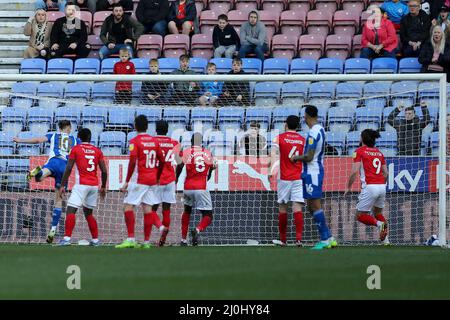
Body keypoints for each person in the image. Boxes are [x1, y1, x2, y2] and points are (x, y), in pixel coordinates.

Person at [12, 120, 79, 243]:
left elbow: (37, 140)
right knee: (58, 202)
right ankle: (52, 231)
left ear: (60, 128)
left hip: (53, 162)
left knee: (39, 178)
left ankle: (37, 171)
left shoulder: (53, 135)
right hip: (65, 168)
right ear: (69, 128)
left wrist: (20, 140)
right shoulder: (75, 140)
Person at [116, 115, 168, 249]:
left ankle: (131, 239)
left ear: (135, 126)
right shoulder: (154, 141)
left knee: (128, 206)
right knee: (147, 209)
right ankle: (146, 242)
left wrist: (127, 181)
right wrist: (157, 176)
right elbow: (162, 161)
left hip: (140, 179)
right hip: (152, 180)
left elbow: (133, 162)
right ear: (147, 126)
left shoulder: (134, 141)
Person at [291, 105, 337, 250]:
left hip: (313, 172)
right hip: (313, 171)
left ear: (307, 116)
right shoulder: (321, 129)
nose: (303, 118)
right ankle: (329, 237)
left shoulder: (312, 133)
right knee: (311, 206)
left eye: (304, 115)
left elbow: (309, 156)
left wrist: (295, 158)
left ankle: (325, 239)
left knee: (315, 205)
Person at [56, 128, 108, 246]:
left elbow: (69, 168)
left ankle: (67, 239)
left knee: (71, 210)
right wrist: (103, 187)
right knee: (88, 213)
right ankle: (95, 240)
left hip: (81, 185)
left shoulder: (76, 149)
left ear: (79, 137)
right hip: (94, 186)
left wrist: (63, 185)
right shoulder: (97, 150)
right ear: (90, 138)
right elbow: (104, 171)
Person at [344, 129, 389, 245]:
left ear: (363, 138)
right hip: (382, 187)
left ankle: (380, 225)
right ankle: (386, 241)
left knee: (359, 215)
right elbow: (386, 173)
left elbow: (354, 172)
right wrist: (381, 184)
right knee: (378, 213)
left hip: (370, 187)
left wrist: (348, 187)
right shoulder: (379, 153)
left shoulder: (359, 151)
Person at [269, 115, 305, 247]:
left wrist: (270, 171)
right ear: (298, 126)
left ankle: (283, 240)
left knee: (283, 207)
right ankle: (299, 239)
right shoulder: (303, 140)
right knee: (297, 207)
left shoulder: (279, 138)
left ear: (286, 124)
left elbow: (273, 153)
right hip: (299, 177)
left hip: (284, 177)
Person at [176, 133, 216, 246]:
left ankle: (183, 240)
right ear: (201, 142)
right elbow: (208, 175)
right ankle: (197, 230)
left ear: (191, 142)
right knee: (208, 215)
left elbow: (179, 166)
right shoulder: (208, 154)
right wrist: (211, 171)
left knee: (187, 210)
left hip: (188, 187)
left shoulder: (187, 151)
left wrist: (176, 180)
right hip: (201, 187)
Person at [152, 120, 180, 246]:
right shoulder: (174, 143)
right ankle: (162, 240)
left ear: (156, 129)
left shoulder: (151, 142)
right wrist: (176, 178)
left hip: (155, 180)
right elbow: (181, 163)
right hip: (170, 179)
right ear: (167, 130)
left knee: (150, 210)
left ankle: (160, 228)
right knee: (166, 209)